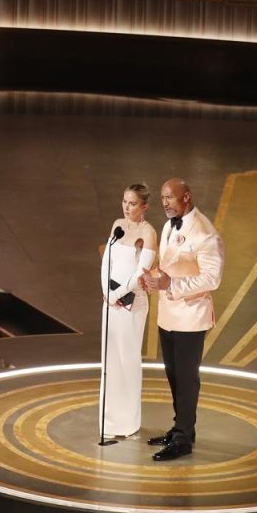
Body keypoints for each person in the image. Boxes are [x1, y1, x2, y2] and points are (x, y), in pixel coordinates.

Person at [140, 179, 224, 462]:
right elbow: (168, 267)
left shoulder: (205, 233)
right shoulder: (168, 225)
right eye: (162, 197)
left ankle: (183, 439)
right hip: (168, 315)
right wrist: (152, 275)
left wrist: (170, 284)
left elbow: (212, 278)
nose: (165, 203)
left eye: (170, 198)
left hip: (191, 318)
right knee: (174, 375)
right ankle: (181, 428)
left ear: (186, 197)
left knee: (187, 379)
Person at [98, 183, 159, 441]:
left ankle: (128, 421)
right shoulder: (116, 225)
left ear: (144, 206)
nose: (126, 207)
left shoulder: (148, 232)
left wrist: (116, 294)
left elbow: (140, 274)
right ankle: (110, 419)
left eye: (132, 203)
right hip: (109, 302)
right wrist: (105, 291)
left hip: (131, 303)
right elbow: (106, 262)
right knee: (110, 359)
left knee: (128, 359)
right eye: (124, 201)